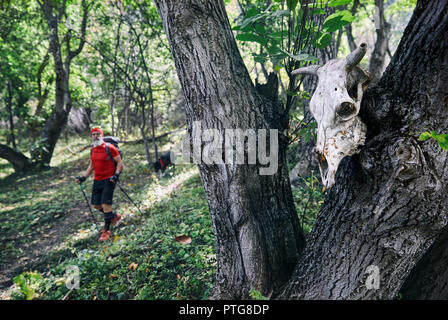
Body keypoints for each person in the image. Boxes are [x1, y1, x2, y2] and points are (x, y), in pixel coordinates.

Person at [75, 127, 123, 241]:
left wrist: (116, 175)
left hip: (109, 179)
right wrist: (83, 177)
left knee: (106, 205)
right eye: (93, 134)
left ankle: (106, 231)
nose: (96, 136)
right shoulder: (93, 150)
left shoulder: (109, 148)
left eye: (98, 134)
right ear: (91, 137)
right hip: (97, 180)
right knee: (96, 205)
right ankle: (113, 216)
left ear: (102, 135)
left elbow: (119, 162)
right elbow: (91, 166)